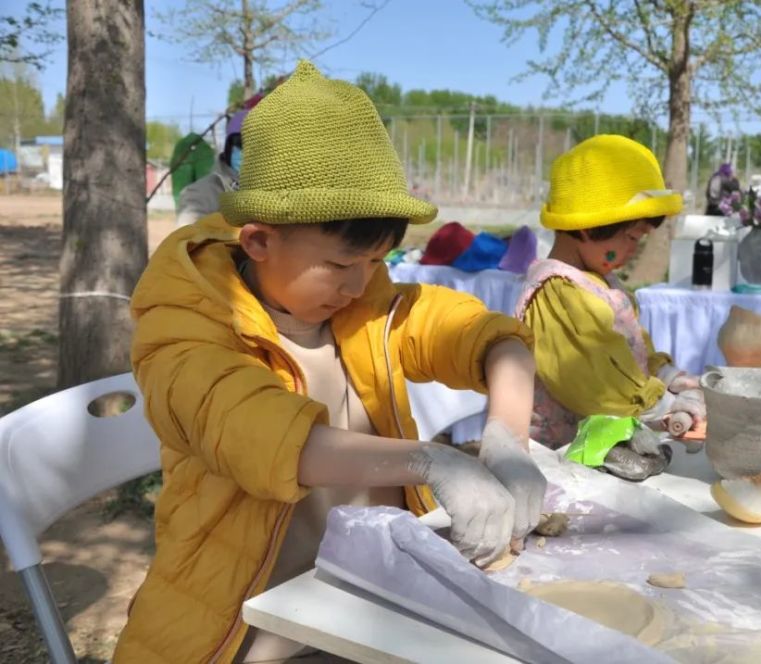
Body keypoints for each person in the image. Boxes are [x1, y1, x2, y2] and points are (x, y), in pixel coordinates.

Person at [114, 61, 546, 663]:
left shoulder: (367, 303)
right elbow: (261, 434)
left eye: (375, 262)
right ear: (260, 241)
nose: (359, 284)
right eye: (342, 265)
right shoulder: (184, 325)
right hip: (250, 629)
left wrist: (508, 438)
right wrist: (430, 461)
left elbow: (493, 339)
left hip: (378, 602)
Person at [515, 134, 705, 452]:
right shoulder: (556, 293)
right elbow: (596, 385)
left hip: (601, 445)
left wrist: (671, 376)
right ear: (589, 226)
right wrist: (664, 406)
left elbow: (632, 353)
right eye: (631, 237)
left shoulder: (600, 280)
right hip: (561, 455)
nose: (633, 249)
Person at [174, 109, 246, 227]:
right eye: (241, 142)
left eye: (258, 145)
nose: (248, 151)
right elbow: (188, 239)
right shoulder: (201, 193)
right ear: (228, 148)